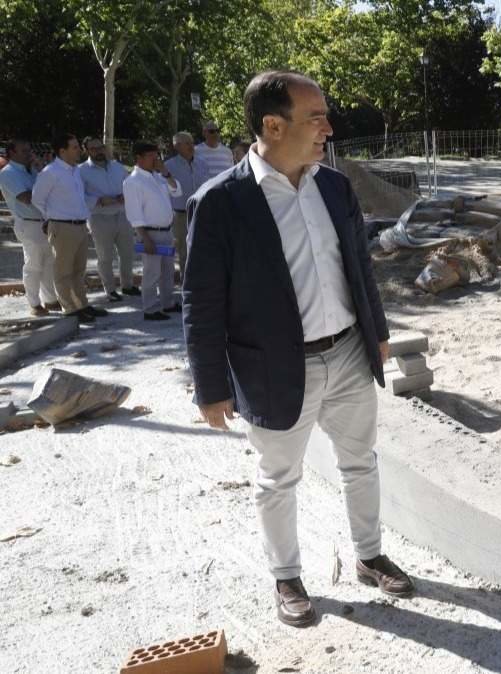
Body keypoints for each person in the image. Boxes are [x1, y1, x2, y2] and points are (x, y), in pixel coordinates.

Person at [184, 70, 409, 627]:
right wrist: (211, 388)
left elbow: (359, 270)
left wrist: (377, 335)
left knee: (361, 463)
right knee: (278, 479)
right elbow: (202, 302)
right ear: (272, 125)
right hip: (275, 370)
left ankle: (369, 554)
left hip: (350, 357)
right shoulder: (220, 202)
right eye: (316, 118)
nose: (328, 128)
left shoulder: (333, 186)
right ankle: (286, 577)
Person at [31, 134, 109, 324]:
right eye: (74, 147)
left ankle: (81, 305)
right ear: (62, 151)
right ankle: (69, 308)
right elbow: (37, 199)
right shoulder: (51, 172)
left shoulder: (74, 171)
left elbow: (78, 199)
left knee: (78, 270)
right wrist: (53, 217)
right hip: (63, 227)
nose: (79, 150)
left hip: (80, 226)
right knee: (63, 271)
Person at [123, 141, 182, 321]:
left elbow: (177, 191)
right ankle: (150, 308)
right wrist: (145, 238)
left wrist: (165, 172)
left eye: (157, 155)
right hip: (150, 233)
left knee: (167, 270)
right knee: (151, 272)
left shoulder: (157, 177)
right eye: (151, 156)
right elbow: (134, 213)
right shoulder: (133, 181)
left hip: (166, 231)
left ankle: (168, 302)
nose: (156, 159)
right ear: (139, 158)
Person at [0, 140, 60, 316]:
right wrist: (45, 194)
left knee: (49, 263)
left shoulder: (33, 170)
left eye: (29, 150)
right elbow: (26, 198)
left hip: (43, 221)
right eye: (24, 150)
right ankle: (34, 303)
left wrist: (41, 168)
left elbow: (52, 188)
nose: (29, 153)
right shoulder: (8, 174)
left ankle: (50, 300)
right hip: (28, 222)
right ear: (12, 152)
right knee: (34, 264)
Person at [79, 137, 138, 302]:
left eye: (100, 147)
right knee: (105, 256)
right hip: (99, 217)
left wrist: (125, 195)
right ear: (86, 151)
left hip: (122, 214)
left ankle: (128, 285)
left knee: (127, 253)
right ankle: (110, 289)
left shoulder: (118, 167)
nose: (98, 151)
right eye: (93, 149)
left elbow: (130, 185)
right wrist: (98, 200)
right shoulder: (81, 171)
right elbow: (79, 195)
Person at [163, 132, 209, 274]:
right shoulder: (168, 166)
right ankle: (186, 283)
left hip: (201, 213)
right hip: (181, 216)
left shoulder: (202, 163)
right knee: (184, 251)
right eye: (187, 143)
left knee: (203, 249)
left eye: (192, 142)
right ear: (177, 146)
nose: (191, 146)